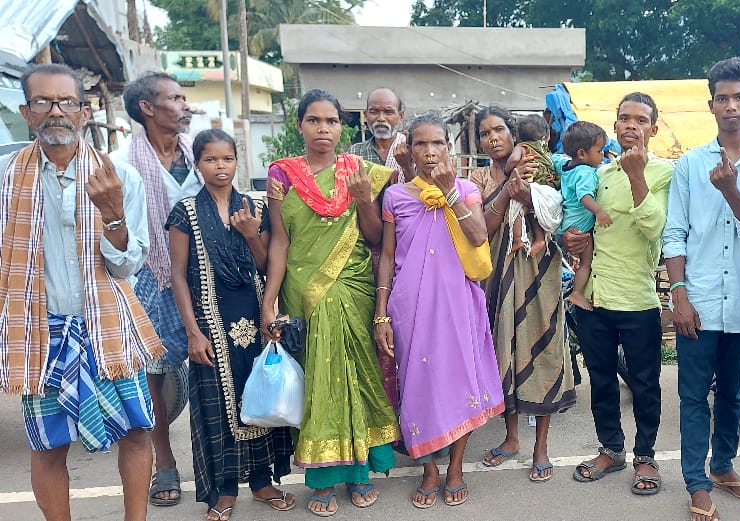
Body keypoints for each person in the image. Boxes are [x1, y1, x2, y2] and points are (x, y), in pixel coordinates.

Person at [0, 63, 163, 521]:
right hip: (39, 330)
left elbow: (129, 265)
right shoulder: (5, 179)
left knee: (135, 431)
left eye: (66, 102)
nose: (56, 112)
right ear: (26, 112)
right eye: (43, 102)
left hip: (107, 324)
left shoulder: (119, 177)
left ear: (84, 112)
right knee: (49, 445)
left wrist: (112, 214)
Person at [262, 89, 400, 517]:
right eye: (314, 121)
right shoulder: (281, 174)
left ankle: (360, 474)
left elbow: (376, 237)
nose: (323, 129)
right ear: (299, 125)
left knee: (356, 378)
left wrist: (362, 199)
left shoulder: (361, 171)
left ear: (343, 127)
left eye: (331, 121)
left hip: (353, 284)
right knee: (320, 384)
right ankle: (321, 479)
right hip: (304, 289)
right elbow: (280, 243)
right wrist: (268, 302)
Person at [663, 57, 740, 521]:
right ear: (710, 104)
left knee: (736, 395)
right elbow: (674, 233)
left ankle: (723, 466)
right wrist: (679, 294)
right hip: (697, 301)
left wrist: (734, 192)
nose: (731, 105)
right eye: (722, 98)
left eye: (739, 97)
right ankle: (696, 482)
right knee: (693, 396)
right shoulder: (690, 165)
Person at [374, 114, 505, 509]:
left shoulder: (465, 189)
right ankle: (429, 469)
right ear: (409, 151)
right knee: (417, 384)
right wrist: (381, 312)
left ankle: (455, 469)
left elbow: (480, 235)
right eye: (420, 145)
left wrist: (449, 195)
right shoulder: (396, 196)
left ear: (449, 149)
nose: (430, 153)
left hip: (457, 302)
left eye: (437, 145)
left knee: (460, 381)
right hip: (409, 306)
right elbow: (387, 257)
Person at [167, 129, 297, 521]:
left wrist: (250, 234)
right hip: (210, 320)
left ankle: (261, 481)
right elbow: (177, 275)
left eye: (227, 159)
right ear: (198, 164)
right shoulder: (185, 211)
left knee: (260, 397)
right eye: (210, 159)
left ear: (238, 161)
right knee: (216, 408)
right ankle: (222, 491)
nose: (219, 166)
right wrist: (193, 331)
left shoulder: (254, 205)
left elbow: (267, 263)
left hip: (255, 318)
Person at [564, 92, 673, 495]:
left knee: (645, 382)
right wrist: (572, 237)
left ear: (653, 129)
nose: (631, 125)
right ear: (614, 127)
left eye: (640, 120)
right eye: (624, 118)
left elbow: (654, 228)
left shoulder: (663, 173)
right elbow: (579, 216)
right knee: (602, 380)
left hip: (638, 298)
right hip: (593, 298)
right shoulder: (598, 173)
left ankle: (645, 456)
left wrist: (637, 175)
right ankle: (611, 449)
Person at [468, 105, 577, 482]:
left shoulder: (538, 163)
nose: (492, 137)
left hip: (538, 269)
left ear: (513, 133)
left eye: (498, 130)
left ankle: (541, 448)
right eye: (484, 133)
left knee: (542, 348)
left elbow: (556, 210)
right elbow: (480, 226)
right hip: (495, 275)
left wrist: (527, 191)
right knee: (504, 352)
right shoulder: (477, 177)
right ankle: (511, 438)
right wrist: (507, 187)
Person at [119, 71, 202, 507]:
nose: (184, 105)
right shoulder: (121, 162)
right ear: (148, 109)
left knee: (212, 365)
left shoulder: (201, 154)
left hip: (203, 276)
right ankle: (164, 461)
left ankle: (214, 458)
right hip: (149, 280)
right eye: (175, 98)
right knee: (152, 375)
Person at [553, 121, 610, 311]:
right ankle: (577, 293)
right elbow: (584, 196)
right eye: (599, 151)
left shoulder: (566, 166)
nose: (602, 156)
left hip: (566, 221)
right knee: (587, 262)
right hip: (580, 226)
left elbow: (554, 160)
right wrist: (599, 211)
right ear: (582, 154)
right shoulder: (586, 172)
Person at [504, 114, 560, 258]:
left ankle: (518, 239)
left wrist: (508, 170)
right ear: (546, 137)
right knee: (534, 211)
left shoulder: (522, 147)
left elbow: (515, 159)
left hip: (533, 186)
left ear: (518, 136)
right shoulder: (545, 149)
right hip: (550, 188)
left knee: (517, 207)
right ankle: (540, 239)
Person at [349, 87, 409, 181]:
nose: (381, 118)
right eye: (374, 112)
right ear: (365, 115)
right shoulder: (355, 152)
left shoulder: (410, 149)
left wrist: (407, 166)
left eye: (388, 112)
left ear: (400, 116)